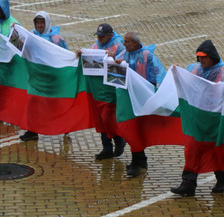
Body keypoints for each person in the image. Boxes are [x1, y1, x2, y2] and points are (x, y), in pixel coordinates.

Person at [171, 40, 224, 196]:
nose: (201, 60)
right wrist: (176, 72)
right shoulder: (193, 69)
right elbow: (184, 83)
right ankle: (188, 184)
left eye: (204, 57)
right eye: (199, 57)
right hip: (196, 120)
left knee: (216, 151)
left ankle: (222, 180)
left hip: (215, 121)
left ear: (212, 57)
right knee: (192, 150)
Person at [115, 31, 166, 177]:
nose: (123, 44)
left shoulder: (147, 56)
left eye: (126, 42)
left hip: (141, 99)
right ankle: (140, 159)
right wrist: (114, 61)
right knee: (131, 129)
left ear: (135, 43)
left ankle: (138, 162)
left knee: (135, 129)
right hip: (128, 98)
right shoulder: (124, 54)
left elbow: (158, 75)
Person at [79, 23, 128, 159]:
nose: (99, 39)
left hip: (112, 90)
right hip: (98, 90)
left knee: (108, 117)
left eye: (102, 36)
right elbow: (88, 57)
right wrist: (81, 54)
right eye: (98, 36)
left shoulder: (119, 45)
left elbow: (124, 61)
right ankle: (107, 147)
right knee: (101, 118)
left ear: (110, 35)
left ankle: (119, 141)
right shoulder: (96, 45)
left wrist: (114, 57)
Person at [18, 11, 69, 141]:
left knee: (56, 104)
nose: (39, 25)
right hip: (35, 78)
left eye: (42, 22)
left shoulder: (57, 39)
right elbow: (19, 49)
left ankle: (66, 126)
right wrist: (15, 34)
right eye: (37, 23)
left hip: (52, 79)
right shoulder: (30, 36)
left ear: (47, 23)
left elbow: (66, 55)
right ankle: (32, 131)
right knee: (32, 103)